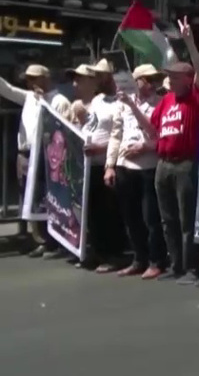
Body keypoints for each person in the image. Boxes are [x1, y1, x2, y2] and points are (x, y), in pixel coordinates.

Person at [137, 16, 199, 284]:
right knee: (168, 218)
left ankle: (192, 267)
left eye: (174, 77)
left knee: (186, 218)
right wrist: (133, 108)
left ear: (186, 79)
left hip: (185, 164)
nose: (170, 81)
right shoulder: (166, 100)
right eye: (169, 77)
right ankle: (176, 265)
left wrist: (190, 41)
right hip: (163, 164)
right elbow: (152, 129)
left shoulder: (195, 97)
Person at [0, 64, 70, 258]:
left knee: (47, 199)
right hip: (25, 155)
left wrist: (43, 101)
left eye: (33, 78)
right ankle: (38, 238)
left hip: (46, 156)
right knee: (29, 197)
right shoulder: (29, 97)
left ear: (45, 78)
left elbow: (60, 129)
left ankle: (53, 241)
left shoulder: (58, 100)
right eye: (28, 79)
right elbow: (7, 90)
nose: (29, 82)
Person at [104, 64, 165, 279]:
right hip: (125, 166)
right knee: (131, 218)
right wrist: (110, 165)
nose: (149, 83)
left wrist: (145, 147)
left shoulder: (160, 103)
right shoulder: (122, 105)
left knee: (151, 217)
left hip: (148, 165)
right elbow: (115, 134)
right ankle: (138, 258)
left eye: (153, 79)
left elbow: (155, 132)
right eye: (145, 79)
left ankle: (156, 260)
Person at [74, 59, 127, 272]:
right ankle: (96, 251)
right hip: (90, 164)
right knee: (93, 212)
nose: (97, 79)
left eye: (100, 75)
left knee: (108, 212)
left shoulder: (120, 103)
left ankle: (113, 255)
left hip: (107, 162)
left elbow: (120, 135)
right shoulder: (97, 100)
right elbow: (90, 124)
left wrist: (101, 149)